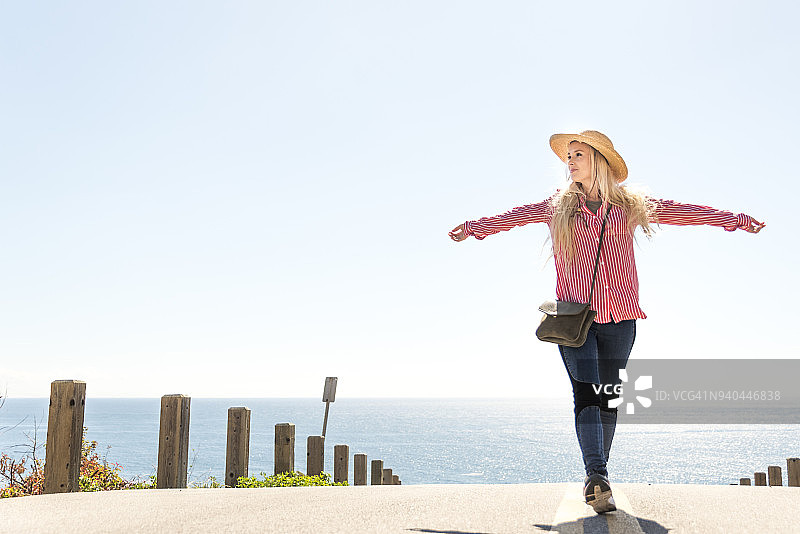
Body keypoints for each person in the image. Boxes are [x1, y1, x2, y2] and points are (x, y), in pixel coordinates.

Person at [448, 130, 764, 514]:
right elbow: (514, 216)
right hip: (575, 321)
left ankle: (600, 474)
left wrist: (736, 220)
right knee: (586, 394)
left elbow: (688, 212)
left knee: (608, 398)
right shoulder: (557, 208)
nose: (570, 160)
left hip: (621, 318)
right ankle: (596, 475)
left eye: (577, 153)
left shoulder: (629, 206)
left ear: (598, 159)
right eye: (567, 155)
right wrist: (473, 228)